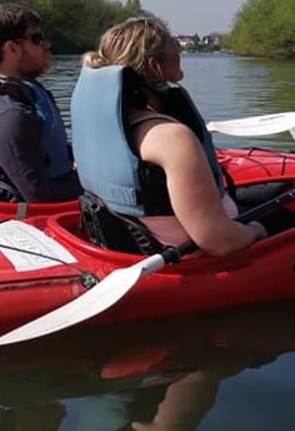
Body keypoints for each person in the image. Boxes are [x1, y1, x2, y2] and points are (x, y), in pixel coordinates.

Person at [69, 16, 268, 256]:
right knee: (294, 213)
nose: (178, 48)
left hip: (129, 241)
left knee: (269, 192)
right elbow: (217, 239)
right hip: (194, 253)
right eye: (173, 43)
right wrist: (258, 230)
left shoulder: (106, 126)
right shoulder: (172, 139)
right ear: (155, 66)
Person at [0, 2, 82, 203]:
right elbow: (39, 196)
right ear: (12, 48)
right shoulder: (9, 116)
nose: (47, 45)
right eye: (37, 39)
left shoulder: (26, 97)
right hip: (35, 217)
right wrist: (97, 189)